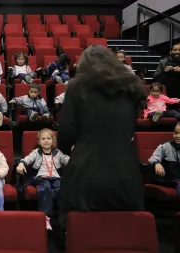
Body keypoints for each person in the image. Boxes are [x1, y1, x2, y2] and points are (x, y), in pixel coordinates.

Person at [56, 45, 146, 230]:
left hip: (86, 172)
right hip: (126, 173)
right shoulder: (131, 87)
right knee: (123, 234)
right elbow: (129, 130)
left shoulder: (78, 86)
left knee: (81, 232)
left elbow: (65, 136)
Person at [17, 129, 69, 230]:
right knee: (45, 188)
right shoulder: (37, 152)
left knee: (61, 188)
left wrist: (76, 159)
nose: (46, 141)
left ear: (53, 141)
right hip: (41, 177)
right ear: (39, 141)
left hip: (55, 178)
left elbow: (66, 159)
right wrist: (22, 163)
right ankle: (45, 217)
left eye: (49, 138)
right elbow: (28, 158)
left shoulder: (57, 153)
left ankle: (62, 217)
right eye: (43, 138)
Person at [148, 121, 180, 212]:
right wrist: (157, 163)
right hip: (167, 178)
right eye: (176, 133)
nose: (178, 136)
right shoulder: (166, 146)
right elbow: (153, 158)